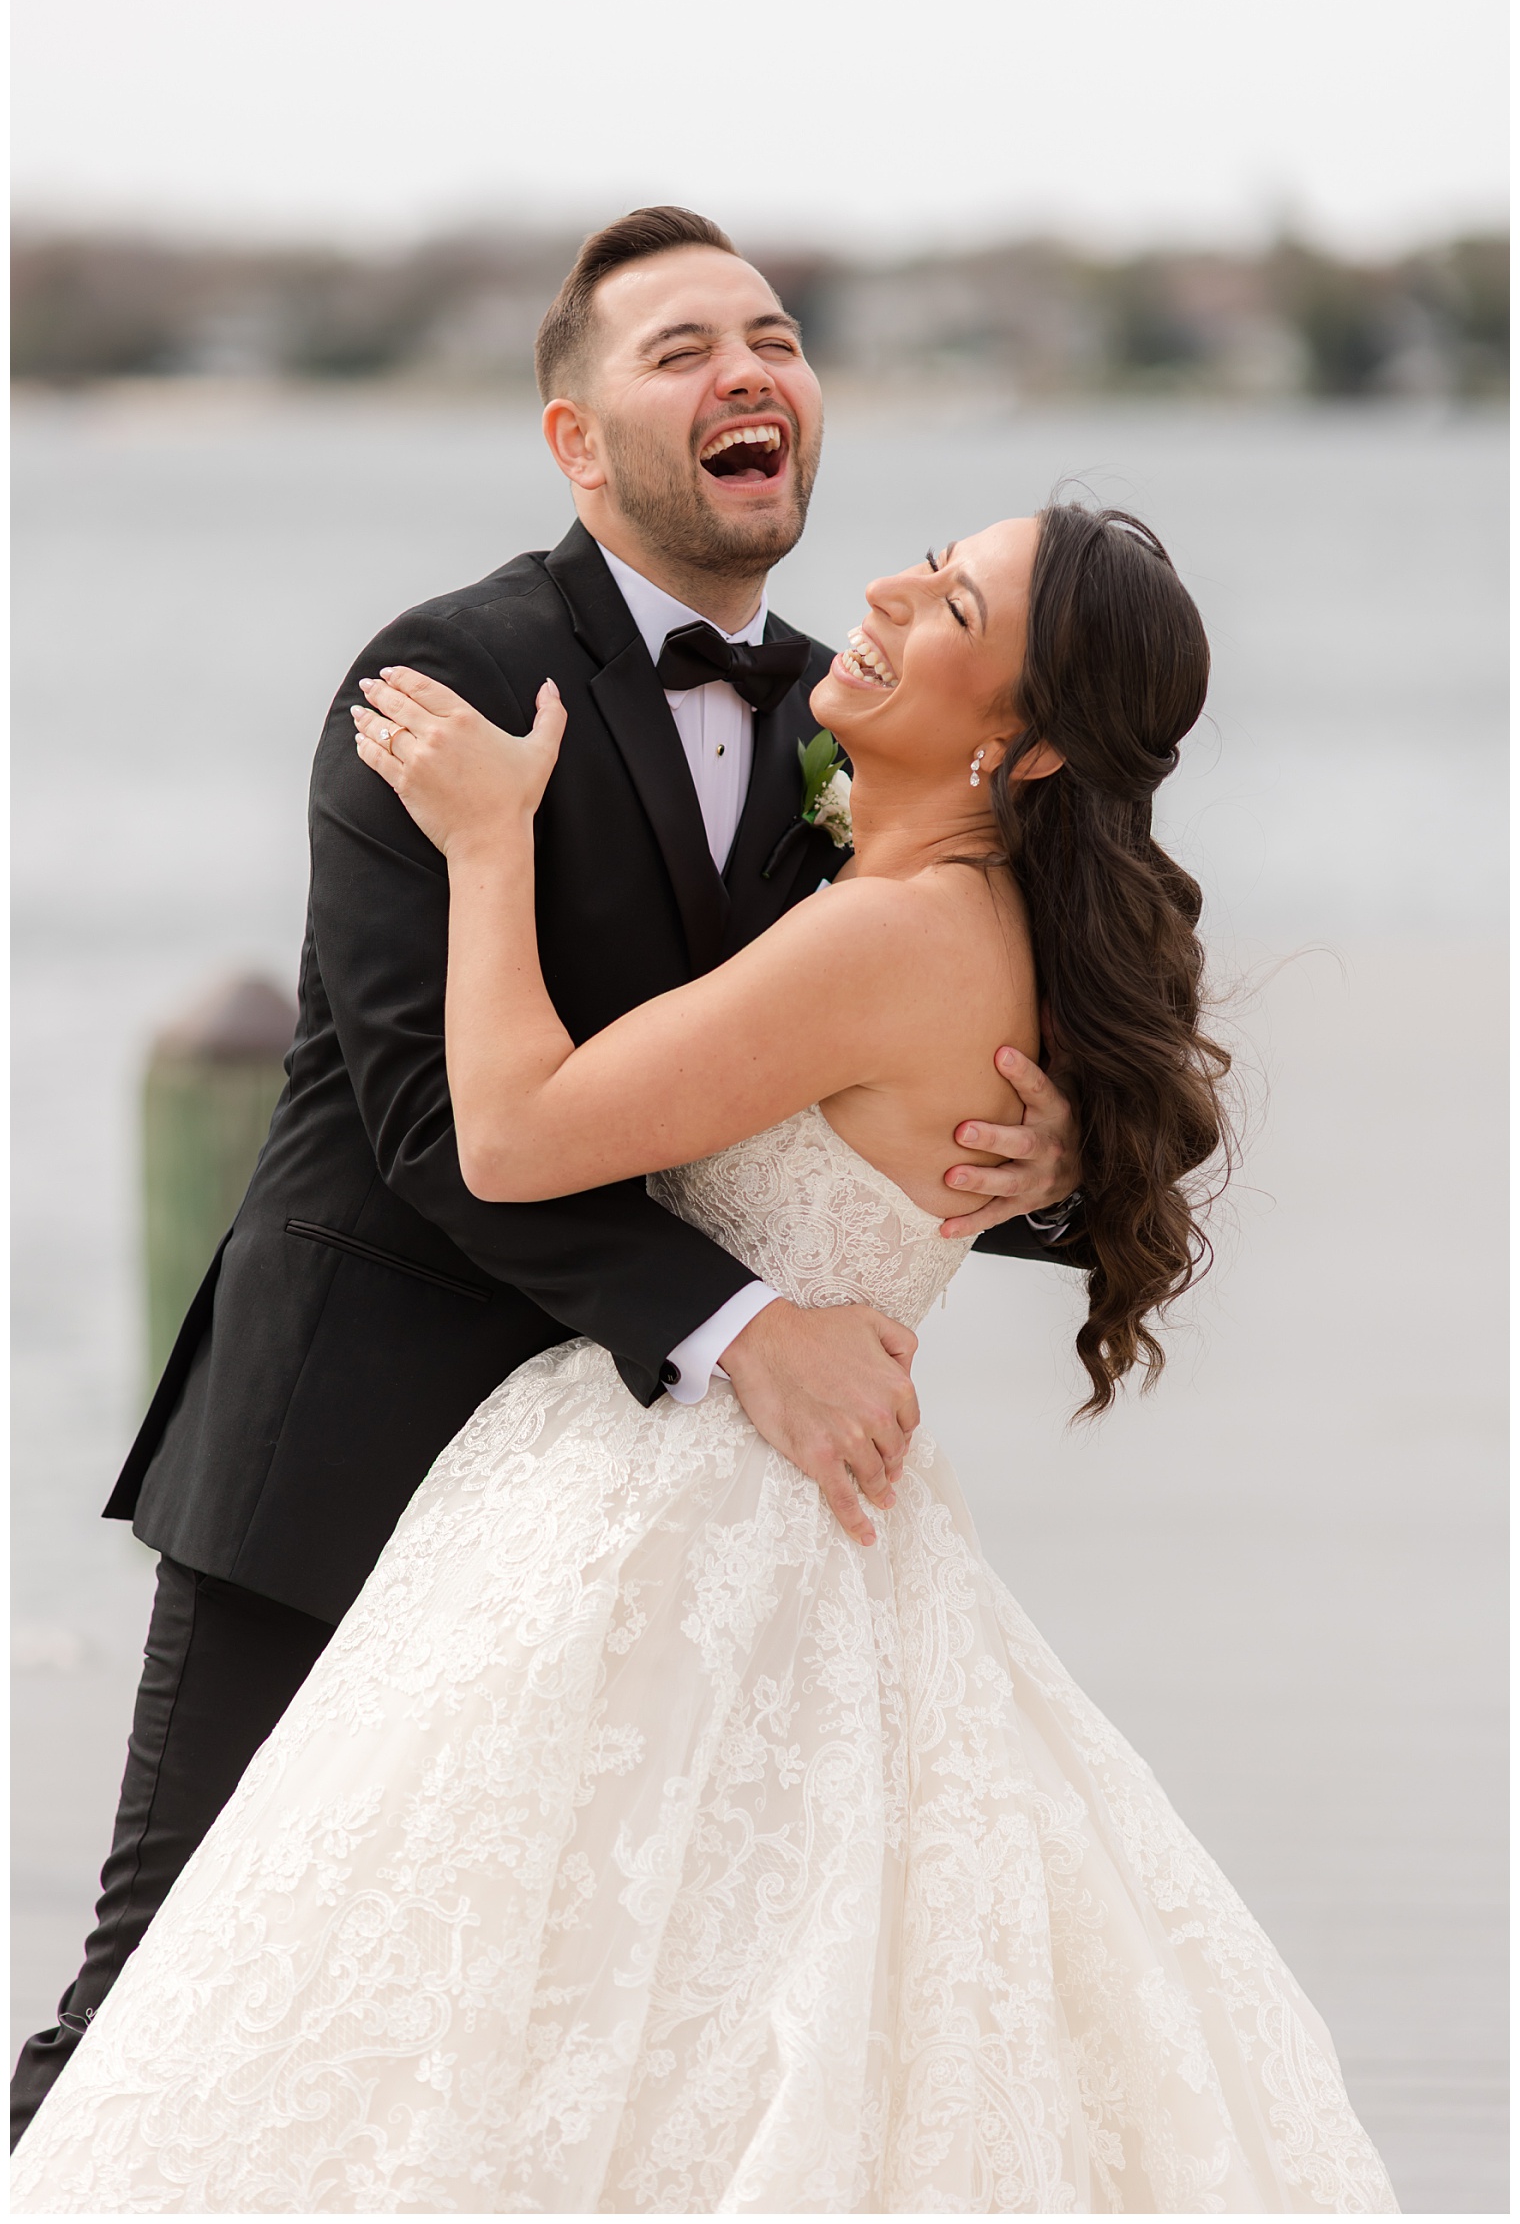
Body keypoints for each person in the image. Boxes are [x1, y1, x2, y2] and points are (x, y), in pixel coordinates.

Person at [12, 502, 1397, 2211]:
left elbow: (510, 1135)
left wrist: (491, 843)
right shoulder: (936, 875)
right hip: (765, 1513)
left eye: (954, 599)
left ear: (1020, 745)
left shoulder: (895, 927)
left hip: (682, 1519)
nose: (889, 591)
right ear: (573, 437)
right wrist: (1071, 1155)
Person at [10, 207, 1087, 2149]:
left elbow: (873, 1065)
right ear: (577, 443)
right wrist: (740, 1325)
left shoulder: (864, 723)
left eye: (772, 332)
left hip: (642, 1527)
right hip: (354, 1433)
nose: (744, 369)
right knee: (169, 1998)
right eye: (678, 348)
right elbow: (431, 1123)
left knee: (568, 2026)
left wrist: (1061, 1157)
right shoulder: (448, 671)